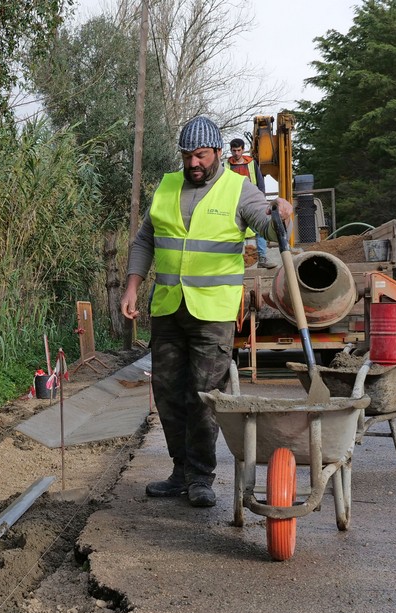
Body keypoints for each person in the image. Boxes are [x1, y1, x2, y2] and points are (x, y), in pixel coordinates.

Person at [121, 116, 292, 508]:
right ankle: (180, 472)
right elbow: (146, 238)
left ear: (217, 152)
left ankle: (201, 477)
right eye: (187, 155)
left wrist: (281, 213)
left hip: (212, 313)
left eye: (200, 155)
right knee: (167, 393)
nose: (193, 162)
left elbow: (266, 227)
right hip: (168, 307)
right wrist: (132, 286)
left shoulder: (238, 188)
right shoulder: (167, 186)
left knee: (204, 396)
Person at [228, 138, 275, 269]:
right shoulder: (225, 166)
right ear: (230, 150)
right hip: (232, 204)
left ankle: (262, 258)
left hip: (250, 203)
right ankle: (234, 261)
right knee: (233, 232)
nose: (236, 153)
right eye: (234, 150)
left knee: (260, 229)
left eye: (238, 150)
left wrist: (261, 199)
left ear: (243, 150)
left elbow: (260, 183)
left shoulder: (251, 164)